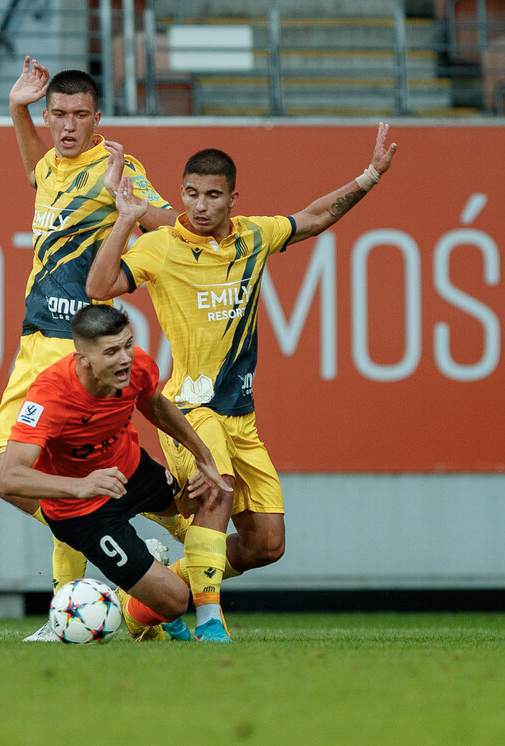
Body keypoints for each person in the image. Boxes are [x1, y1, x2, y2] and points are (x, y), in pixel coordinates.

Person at [86, 123, 398, 595]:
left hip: (241, 417)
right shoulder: (162, 246)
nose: (200, 205)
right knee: (219, 489)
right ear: (182, 195)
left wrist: (370, 176)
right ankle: (210, 620)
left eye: (213, 195)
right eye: (191, 194)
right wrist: (127, 221)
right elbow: (98, 288)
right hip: (191, 405)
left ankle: (158, 591)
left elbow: (312, 218)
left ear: (233, 198)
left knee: (266, 545)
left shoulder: (255, 237)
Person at [0, 57, 181, 641]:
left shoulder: (115, 164)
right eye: (59, 115)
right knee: (23, 477)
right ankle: (118, 547)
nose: (69, 125)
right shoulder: (52, 159)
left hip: (75, 345)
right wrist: (16, 109)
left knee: (28, 473)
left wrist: (126, 201)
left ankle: (69, 604)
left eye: (80, 115)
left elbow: (167, 222)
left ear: (97, 118)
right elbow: (35, 173)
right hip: (33, 338)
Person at [0, 304, 237, 642]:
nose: (124, 358)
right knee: (174, 602)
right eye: (111, 351)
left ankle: (209, 615)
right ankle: (131, 607)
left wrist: (203, 455)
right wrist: (82, 485)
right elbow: (7, 478)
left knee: (214, 489)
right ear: (83, 359)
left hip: (131, 471)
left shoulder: (136, 364)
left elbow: (154, 404)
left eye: (127, 344)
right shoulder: (50, 396)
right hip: (83, 513)